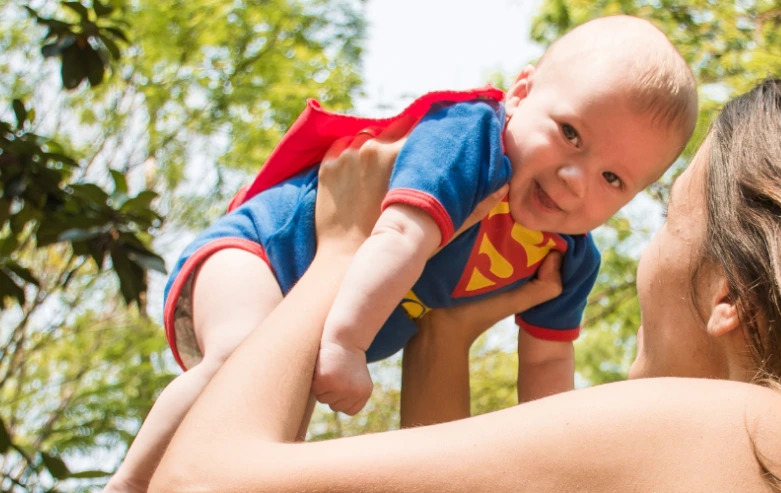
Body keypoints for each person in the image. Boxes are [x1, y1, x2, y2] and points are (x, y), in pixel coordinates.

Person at [147, 62, 781, 492]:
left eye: (659, 212)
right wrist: (443, 329)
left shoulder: (745, 428)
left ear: (729, 290)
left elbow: (210, 482)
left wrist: (343, 251)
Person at [106, 15, 698, 493]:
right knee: (241, 357)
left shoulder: (568, 260)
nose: (576, 178)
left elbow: (546, 366)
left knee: (274, 433)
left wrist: (558, 465)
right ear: (520, 94)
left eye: (614, 179)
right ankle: (131, 483)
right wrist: (346, 345)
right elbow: (398, 238)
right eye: (570, 133)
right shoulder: (470, 141)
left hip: (313, 321)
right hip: (261, 254)